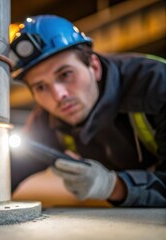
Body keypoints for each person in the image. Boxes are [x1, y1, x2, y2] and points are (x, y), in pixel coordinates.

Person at [9, 15, 165, 207]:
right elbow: (9, 172)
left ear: (94, 66)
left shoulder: (157, 85)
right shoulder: (46, 120)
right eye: (41, 87)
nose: (59, 95)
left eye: (65, 74)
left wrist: (114, 186)